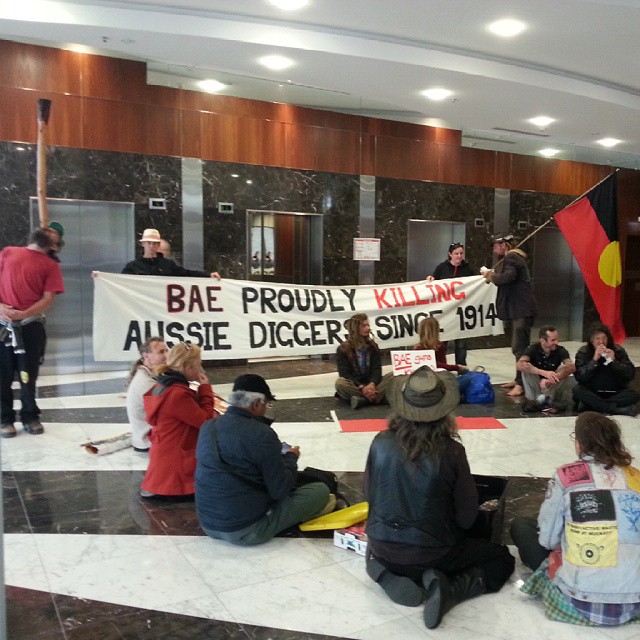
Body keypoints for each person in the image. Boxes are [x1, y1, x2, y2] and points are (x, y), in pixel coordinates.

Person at [364, 366, 514, 629]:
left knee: (394, 552)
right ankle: (452, 589)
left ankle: (383, 572)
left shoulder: (379, 441)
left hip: (381, 547)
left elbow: (369, 494)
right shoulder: (452, 452)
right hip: (432, 552)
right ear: (444, 412)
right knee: (501, 558)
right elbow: (466, 519)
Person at [511, 412, 640, 626]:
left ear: (579, 444)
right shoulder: (636, 476)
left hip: (580, 599)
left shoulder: (566, 476)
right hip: (634, 598)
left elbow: (548, 541)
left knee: (522, 527)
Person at [195, 374, 333, 545]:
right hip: (247, 530)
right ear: (256, 403)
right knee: (320, 490)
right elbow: (279, 490)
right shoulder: (262, 433)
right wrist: (291, 457)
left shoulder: (208, 426)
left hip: (208, 524)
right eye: (266, 404)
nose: (266, 410)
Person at [0, 228, 65, 438]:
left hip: (30, 326)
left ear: (54, 246)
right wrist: (1, 308)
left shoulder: (51, 266)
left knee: (28, 376)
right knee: (3, 375)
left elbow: (48, 299)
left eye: (54, 234)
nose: (50, 231)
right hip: (3, 325)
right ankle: (4, 419)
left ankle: (30, 416)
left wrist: (24, 314)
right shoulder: (8, 252)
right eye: (47, 229)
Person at [140, 342, 216, 498]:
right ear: (188, 368)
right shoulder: (177, 394)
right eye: (199, 365)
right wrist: (205, 389)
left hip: (165, 459)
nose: (200, 368)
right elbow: (205, 421)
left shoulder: (164, 384)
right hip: (176, 469)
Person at [482, 234, 536, 397]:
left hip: (522, 310)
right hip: (520, 310)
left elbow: (507, 278)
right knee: (520, 347)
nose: (494, 249)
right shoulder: (513, 257)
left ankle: (521, 384)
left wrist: (491, 276)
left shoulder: (512, 257)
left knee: (519, 348)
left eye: (496, 245)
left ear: (504, 245)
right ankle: (518, 378)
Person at [572, 323, 638, 416]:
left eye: (604, 338)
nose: (601, 342)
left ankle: (595, 406)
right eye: (597, 339)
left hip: (615, 392)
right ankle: (615, 409)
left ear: (608, 339)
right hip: (593, 392)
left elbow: (630, 374)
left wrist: (614, 361)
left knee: (633, 394)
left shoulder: (618, 350)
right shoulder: (584, 352)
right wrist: (594, 360)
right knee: (577, 390)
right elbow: (580, 377)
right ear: (591, 341)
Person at [427, 242, 475, 365]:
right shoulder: (441, 267)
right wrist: (430, 279)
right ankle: (441, 366)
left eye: (461, 253)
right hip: (446, 312)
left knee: (461, 344)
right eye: (456, 253)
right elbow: (434, 281)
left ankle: (461, 368)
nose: (459, 256)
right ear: (450, 254)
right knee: (442, 342)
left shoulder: (468, 268)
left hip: (461, 312)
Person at [335, 313, 392, 409]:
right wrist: (362, 387)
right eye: (364, 326)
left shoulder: (373, 346)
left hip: (372, 384)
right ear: (355, 328)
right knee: (340, 383)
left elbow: (376, 370)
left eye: (368, 325)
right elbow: (345, 374)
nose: (368, 328)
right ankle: (376, 398)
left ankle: (363, 400)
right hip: (355, 385)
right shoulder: (343, 349)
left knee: (393, 376)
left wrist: (372, 384)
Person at [517, 325, 575, 414]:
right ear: (542, 341)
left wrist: (551, 378)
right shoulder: (532, 349)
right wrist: (543, 373)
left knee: (563, 369)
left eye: (557, 339)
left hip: (552, 387)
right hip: (536, 386)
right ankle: (542, 402)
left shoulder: (561, 350)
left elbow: (571, 367)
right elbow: (519, 365)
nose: (556, 342)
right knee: (526, 368)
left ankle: (544, 401)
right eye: (553, 340)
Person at [122, 228, 220, 279]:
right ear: (142, 244)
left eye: (155, 243)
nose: (151, 246)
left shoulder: (167, 265)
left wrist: (208, 276)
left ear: (158, 245)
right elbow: (120, 283)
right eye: (149, 243)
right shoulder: (133, 267)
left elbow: (186, 274)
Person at [125, 336, 168, 452]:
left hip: (143, 437)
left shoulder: (146, 374)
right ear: (146, 356)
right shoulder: (146, 383)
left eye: (166, 351)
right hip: (147, 441)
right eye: (161, 352)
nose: (166, 356)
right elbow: (168, 411)